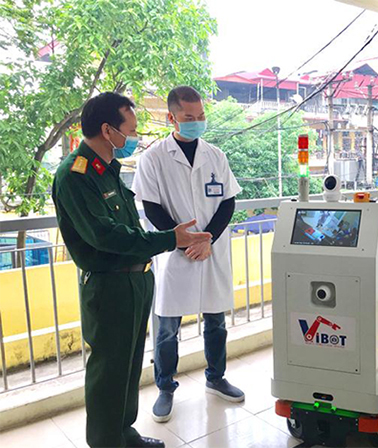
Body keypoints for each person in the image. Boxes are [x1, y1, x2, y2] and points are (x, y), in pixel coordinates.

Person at [52, 92, 212, 448]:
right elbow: (104, 235)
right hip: (109, 286)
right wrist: (170, 238)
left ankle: (125, 433)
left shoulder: (108, 169)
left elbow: (128, 228)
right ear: (107, 130)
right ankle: (106, 441)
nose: (134, 137)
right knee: (109, 371)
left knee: (128, 365)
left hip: (135, 279)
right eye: (131, 130)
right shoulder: (77, 174)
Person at [132, 85, 244, 424]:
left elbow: (228, 202)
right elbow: (151, 207)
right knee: (167, 327)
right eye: (189, 117)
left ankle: (216, 378)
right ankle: (165, 387)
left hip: (210, 250)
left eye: (201, 116)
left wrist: (206, 240)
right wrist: (184, 241)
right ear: (172, 117)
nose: (197, 122)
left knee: (216, 321)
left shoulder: (215, 155)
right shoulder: (153, 158)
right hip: (175, 254)